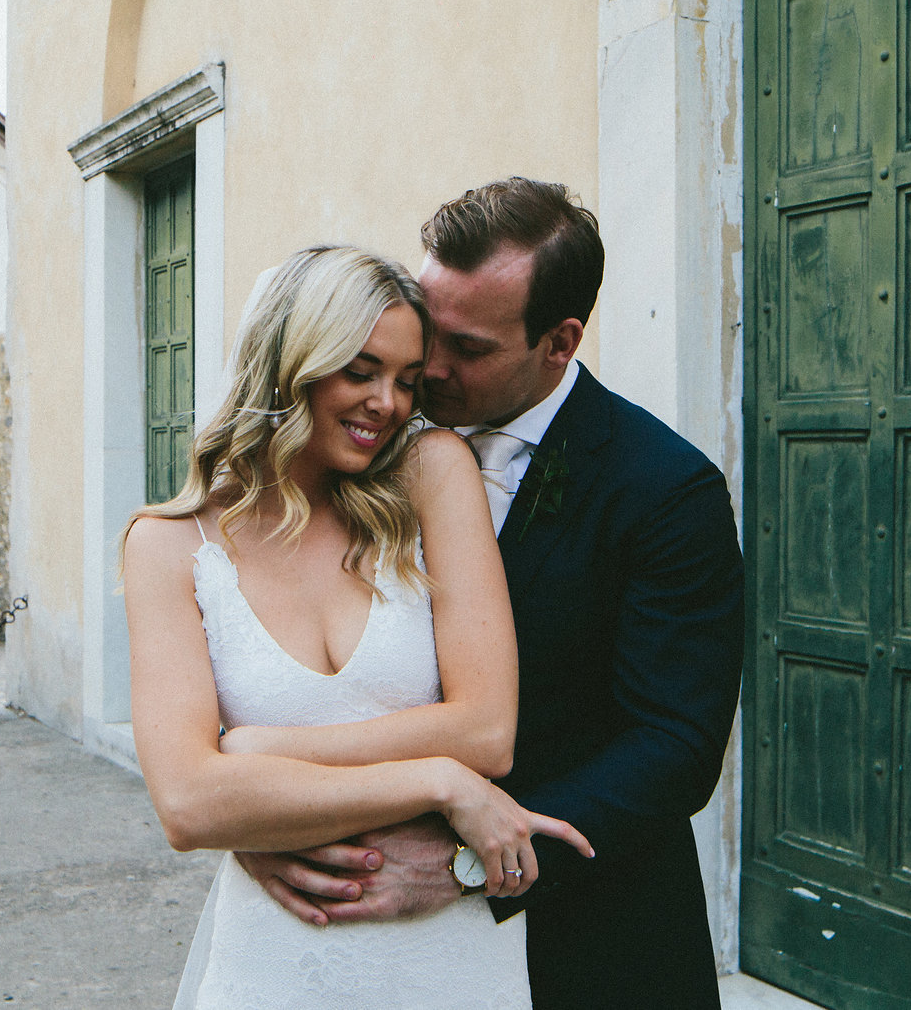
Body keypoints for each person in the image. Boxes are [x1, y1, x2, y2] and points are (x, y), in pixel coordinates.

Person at [235, 181, 745, 1010]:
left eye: (466, 348)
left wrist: (472, 865)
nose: (427, 370)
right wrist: (263, 814)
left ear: (559, 340)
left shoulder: (664, 489)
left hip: (591, 938)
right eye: (427, 331)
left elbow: (674, 745)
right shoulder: (353, 438)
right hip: (362, 934)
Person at [122, 244, 591, 1009]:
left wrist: (264, 759)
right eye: (361, 369)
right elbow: (189, 803)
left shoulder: (433, 475)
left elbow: (487, 729)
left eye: (408, 379)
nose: (390, 403)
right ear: (290, 361)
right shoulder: (170, 545)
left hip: (450, 954)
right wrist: (437, 779)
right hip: (278, 960)